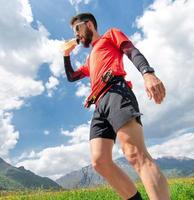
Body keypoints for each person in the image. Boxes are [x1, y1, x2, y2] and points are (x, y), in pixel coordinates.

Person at [63, 12, 170, 200]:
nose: (76, 35)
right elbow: (71, 77)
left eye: (77, 29)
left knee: (135, 153)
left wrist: (147, 73)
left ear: (88, 24)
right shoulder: (89, 60)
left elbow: (131, 50)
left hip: (115, 91)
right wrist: (66, 55)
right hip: (99, 104)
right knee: (100, 162)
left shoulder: (110, 35)